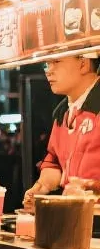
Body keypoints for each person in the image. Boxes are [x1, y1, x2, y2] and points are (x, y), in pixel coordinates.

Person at [25, 53, 100, 206]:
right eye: (47, 63)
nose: (48, 70)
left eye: (56, 62)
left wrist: (92, 188)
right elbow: (54, 160)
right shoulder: (62, 114)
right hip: (77, 216)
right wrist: (41, 187)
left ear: (83, 64)